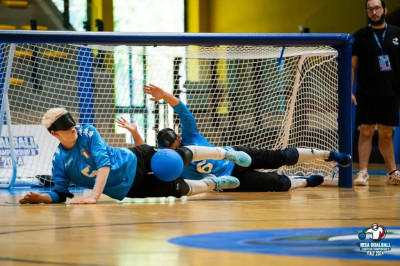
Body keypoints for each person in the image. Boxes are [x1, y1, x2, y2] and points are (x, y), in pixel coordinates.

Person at [137, 84, 352, 192]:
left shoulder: (191, 135)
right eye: (171, 143)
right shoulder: (174, 163)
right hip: (229, 180)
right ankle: (305, 182)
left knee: (279, 157)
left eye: (175, 138)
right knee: (277, 184)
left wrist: (164, 95)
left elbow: (183, 112)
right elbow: (148, 156)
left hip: (236, 154)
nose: (176, 142)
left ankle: (329, 154)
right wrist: (135, 133)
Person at [19, 108, 252, 204]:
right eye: (65, 126)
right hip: (128, 188)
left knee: (176, 158)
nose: (72, 128)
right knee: (177, 189)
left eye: (71, 122)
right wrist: (41, 198)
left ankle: (225, 153)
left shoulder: (88, 131)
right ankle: (214, 184)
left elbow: (104, 163)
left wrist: (95, 196)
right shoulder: (60, 162)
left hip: (135, 158)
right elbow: (60, 194)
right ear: (53, 133)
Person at [352, 0, 400, 186]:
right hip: (366, 92)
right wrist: (350, 90)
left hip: (391, 92)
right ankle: (363, 172)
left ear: (385, 10)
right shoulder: (360, 35)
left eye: (377, 8)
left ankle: (391, 172)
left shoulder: (397, 34)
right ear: (367, 12)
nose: (374, 12)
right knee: (366, 130)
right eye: (370, 9)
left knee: (387, 133)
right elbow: (353, 65)